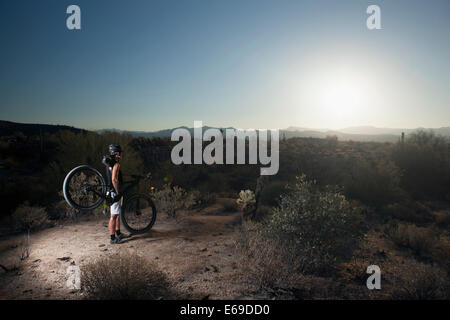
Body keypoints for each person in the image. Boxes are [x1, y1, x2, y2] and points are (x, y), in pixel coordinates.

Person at [102, 144, 130, 244]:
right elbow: (114, 179)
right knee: (113, 216)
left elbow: (113, 176)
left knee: (117, 214)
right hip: (114, 192)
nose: (121, 154)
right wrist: (118, 192)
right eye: (120, 153)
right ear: (117, 153)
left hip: (109, 191)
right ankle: (113, 238)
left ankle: (118, 233)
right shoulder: (116, 164)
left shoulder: (109, 163)